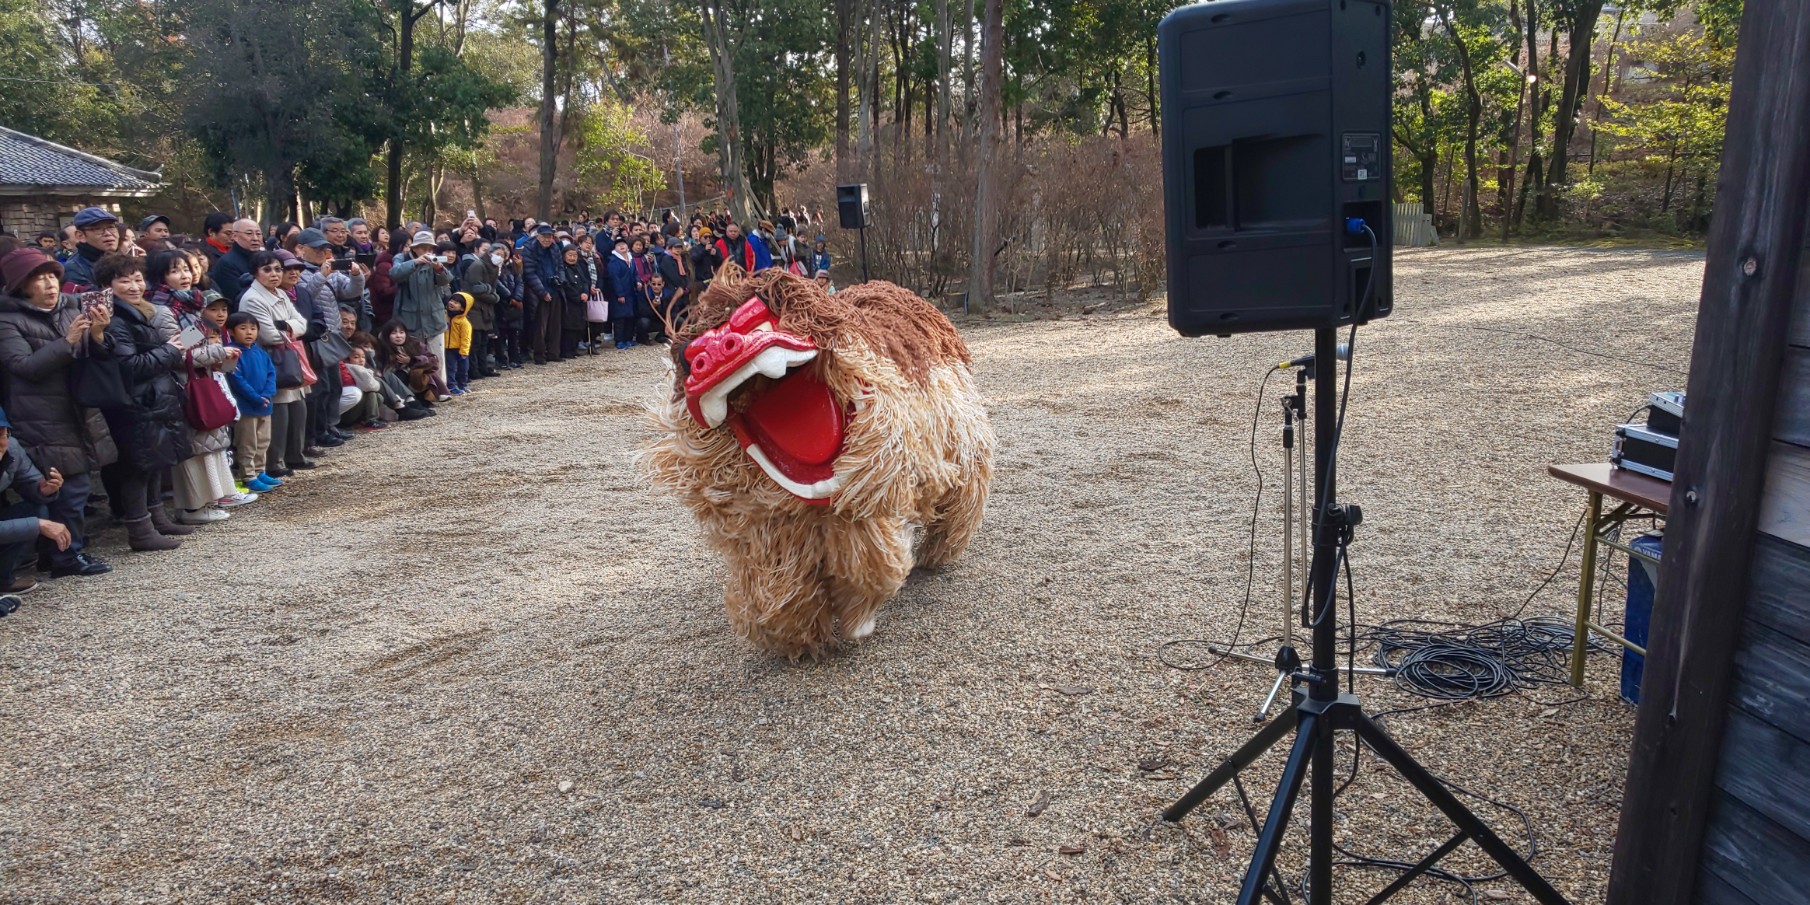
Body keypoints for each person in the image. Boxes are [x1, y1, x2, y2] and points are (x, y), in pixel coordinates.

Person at [0, 248, 114, 577]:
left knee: (76, 485)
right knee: (68, 485)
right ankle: (67, 557)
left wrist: (98, 334)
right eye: (39, 278)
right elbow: (25, 367)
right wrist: (67, 341)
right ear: (21, 285)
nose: (50, 284)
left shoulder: (73, 305)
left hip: (78, 406)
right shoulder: (7, 320)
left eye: (52, 276)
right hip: (38, 413)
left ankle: (62, 553)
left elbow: (98, 354)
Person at [92, 254, 190, 551]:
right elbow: (129, 365)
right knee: (137, 466)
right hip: (134, 402)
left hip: (150, 400)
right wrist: (170, 350)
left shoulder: (139, 312)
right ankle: (140, 529)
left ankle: (157, 518)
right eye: (124, 281)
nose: (135, 286)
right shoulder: (114, 320)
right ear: (106, 286)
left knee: (153, 461)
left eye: (138, 279)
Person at [146, 251, 243, 524]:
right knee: (193, 448)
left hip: (199, 378)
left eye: (187, 269)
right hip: (182, 385)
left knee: (207, 443)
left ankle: (211, 498)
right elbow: (178, 353)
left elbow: (192, 346)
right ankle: (193, 506)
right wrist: (218, 352)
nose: (185, 275)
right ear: (161, 277)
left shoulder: (189, 306)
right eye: (175, 270)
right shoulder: (165, 310)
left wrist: (216, 355)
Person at [236, 250, 312, 479]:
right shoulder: (252, 298)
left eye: (278, 269)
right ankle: (272, 462)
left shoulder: (280, 293)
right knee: (278, 407)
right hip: (268, 357)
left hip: (289, 354)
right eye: (267, 269)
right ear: (255, 273)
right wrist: (289, 326)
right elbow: (269, 335)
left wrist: (284, 325)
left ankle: (294, 454)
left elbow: (303, 323)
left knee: (298, 406)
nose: (274, 274)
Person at [0, 407, 72, 594]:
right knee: (34, 522)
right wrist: (37, 525)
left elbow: (29, 480)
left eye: (1, 434)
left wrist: (45, 489)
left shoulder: (11, 449)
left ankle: (3, 578)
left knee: (36, 509)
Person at [224, 312, 282, 493]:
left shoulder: (260, 352)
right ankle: (248, 475)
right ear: (231, 332)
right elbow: (236, 380)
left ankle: (259, 470)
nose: (249, 332)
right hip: (246, 406)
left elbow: (271, 373)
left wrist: (267, 394)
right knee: (247, 442)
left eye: (253, 328)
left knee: (263, 440)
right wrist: (256, 398)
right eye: (243, 328)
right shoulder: (231, 353)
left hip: (265, 404)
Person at [389, 231, 452, 385]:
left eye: (430, 248)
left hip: (434, 317)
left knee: (437, 357)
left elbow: (447, 280)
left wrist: (439, 268)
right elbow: (394, 274)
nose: (427, 251)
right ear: (415, 248)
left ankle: (440, 388)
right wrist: (415, 263)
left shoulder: (434, 260)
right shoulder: (401, 258)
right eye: (423, 248)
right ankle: (418, 388)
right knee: (415, 357)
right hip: (410, 319)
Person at [521, 225, 562, 365]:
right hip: (538, 291)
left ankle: (554, 353)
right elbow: (530, 273)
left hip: (555, 288)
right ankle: (539, 354)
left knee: (555, 324)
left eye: (549, 236)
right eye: (544, 236)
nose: (547, 239)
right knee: (540, 325)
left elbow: (560, 266)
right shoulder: (530, 249)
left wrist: (560, 281)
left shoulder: (554, 248)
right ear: (537, 236)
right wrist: (542, 292)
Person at [460, 242, 501, 377]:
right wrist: (493, 297)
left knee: (484, 342)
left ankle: (482, 368)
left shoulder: (493, 268)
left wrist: (493, 295)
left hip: (485, 309)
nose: (500, 257)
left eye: (503, 255)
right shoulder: (478, 265)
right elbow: (475, 289)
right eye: (498, 254)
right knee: (475, 342)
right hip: (475, 308)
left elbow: (492, 288)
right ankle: (473, 370)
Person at [61, 207, 122, 293]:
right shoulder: (75, 269)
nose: (108, 233)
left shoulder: (125, 258)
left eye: (111, 227)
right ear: (80, 236)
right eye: (98, 229)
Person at [208, 218, 263, 308]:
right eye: (249, 233)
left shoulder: (265, 258)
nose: (255, 238)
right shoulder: (227, 263)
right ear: (235, 236)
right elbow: (236, 298)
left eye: (258, 234)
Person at [550, 244, 591, 360]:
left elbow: (585, 281)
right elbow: (566, 286)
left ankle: (574, 349)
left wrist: (585, 293)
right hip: (569, 301)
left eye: (574, 255)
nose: (572, 258)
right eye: (570, 255)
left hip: (581, 301)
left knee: (579, 326)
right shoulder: (562, 269)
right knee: (569, 327)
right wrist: (577, 296)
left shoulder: (578, 267)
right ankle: (566, 351)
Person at [606, 237, 641, 349]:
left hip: (631, 292)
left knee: (630, 317)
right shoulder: (613, 261)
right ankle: (619, 340)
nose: (621, 246)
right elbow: (614, 279)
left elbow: (635, 274)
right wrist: (620, 294)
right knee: (620, 318)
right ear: (615, 248)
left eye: (623, 244)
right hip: (620, 293)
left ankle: (628, 339)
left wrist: (638, 282)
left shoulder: (631, 259)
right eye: (618, 245)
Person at [495, 246, 526, 369]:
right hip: (501, 303)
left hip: (514, 304)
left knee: (513, 333)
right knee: (501, 334)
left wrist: (517, 298)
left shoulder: (512, 267)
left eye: (503, 254)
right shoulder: (493, 268)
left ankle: (514, 358)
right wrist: (509, 297)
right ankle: (501, 360)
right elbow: (497, 284)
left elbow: (519, 282)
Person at [444, 293, 473, 394]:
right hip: (448, 348)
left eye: (456, 302)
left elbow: (466, 338)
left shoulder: (464, 322)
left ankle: (462, 385)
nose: (451, 303)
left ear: (462, 308)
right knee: (451, 368)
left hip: (460, 349)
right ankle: (451, 385)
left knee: (463, 369)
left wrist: (464, 351)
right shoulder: (445, 317)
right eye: (451, 300)